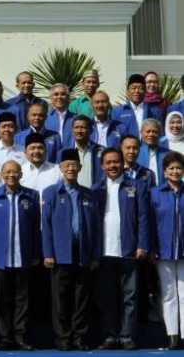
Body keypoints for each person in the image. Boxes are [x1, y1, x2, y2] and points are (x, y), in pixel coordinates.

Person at [42, 149, 101, 351]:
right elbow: (46, 225)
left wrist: (95, 255)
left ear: (80, 168)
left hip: (83, 253)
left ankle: (79, 337)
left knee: (81, 297)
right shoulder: (51, 192)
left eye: (74, 165)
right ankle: (63, 337)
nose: (70, 168)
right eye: (66, 165)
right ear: (60, 168)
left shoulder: (88, 194)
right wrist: (48, 253)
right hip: (60, 254)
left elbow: (96, 228)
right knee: (60, 298)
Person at [92, 148, 148, 350]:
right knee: (106, 297)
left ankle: (127, 337)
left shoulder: (135, 186)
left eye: (116, 162)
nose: (113, 166)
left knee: (130, 297)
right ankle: (110, 336)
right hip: (104, 252)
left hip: (129, 250)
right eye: (108, 162)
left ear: (122, 163)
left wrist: (142, 244)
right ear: (102, 166)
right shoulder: (95, 188)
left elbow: (142, 218)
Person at [0, 160, 40, 351]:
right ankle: (5, 337)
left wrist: (35, 253)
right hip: (0, 258)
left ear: (21, 174)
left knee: (23, 299)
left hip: (23, 256)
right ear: (1, 174)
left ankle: (20, 336)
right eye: (7, 172)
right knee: (3, 299)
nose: (11, 175)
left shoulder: (31, 195)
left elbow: (35, 228)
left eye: (15, 172)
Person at [149, 151, 184, 350]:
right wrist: (152, 247)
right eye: (171, 168)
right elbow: (150, 222)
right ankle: (172, 335)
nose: (175, 171)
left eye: (178, 167)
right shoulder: (155, 193)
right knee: (169, 293)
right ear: (164, 171)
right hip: (163, 250)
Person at [111, 74, 162, 138]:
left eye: (140, 88)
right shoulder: (118, 112)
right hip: (126, 147)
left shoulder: (154, 111)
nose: (137, 91)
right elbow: (114, 135)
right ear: (128, 91)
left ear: (145, 91)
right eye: (133, 88)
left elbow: (160, 134)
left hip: (147, 148)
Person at [20, 132, 61, 199]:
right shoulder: (20, 171)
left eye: (40, 148)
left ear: (46, 151)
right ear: (25, 152)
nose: (36, 151)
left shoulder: (58, 170)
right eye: (32, 148)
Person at [69, 115, 105, 188]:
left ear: (91, 131)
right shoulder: (66, 152)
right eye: (76, 127)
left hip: (94, 194)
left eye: (83, 128)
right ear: (72, 130)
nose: (79, 131)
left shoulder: (102, 151)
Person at [137, 118, 168, 185]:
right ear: (141, 133)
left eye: (155, 132)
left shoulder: (168, 154)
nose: (151, 134)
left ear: (160, 134)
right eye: (148, 131)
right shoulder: (136, 153)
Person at [44, 83, 75, 148]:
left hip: (70, 155)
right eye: (56, 94)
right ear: (51, 97)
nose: (59, 97)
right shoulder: (45, 118)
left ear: (68, 97)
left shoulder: (75, 118)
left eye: (63, 94)